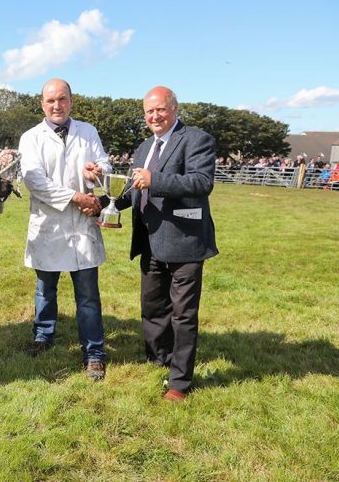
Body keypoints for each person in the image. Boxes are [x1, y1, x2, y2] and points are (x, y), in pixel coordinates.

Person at [112, 85, 218, 401]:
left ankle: (180, 382)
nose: (155, 116)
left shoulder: (197, 139)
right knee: (153, 307)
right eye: (149, 111)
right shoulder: (145, 147)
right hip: (150, 240)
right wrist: (105, 201)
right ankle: (159, 357)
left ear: (174, 108)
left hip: (185, 241)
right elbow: (135, 190)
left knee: (183, 314)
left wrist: (154, 180)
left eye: (160, 109)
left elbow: (202, 183)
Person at [18, 78, 110, 381]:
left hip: (82, 226)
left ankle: (94, 352)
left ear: (72, 100)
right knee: (45, 289)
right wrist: (75, 196)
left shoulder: (88, 131)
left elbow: (105, 164)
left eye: (62, 99)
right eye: (50, 101)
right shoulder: (31, 137)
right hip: (49, 226)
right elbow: (35, 181)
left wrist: (96, 172)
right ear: (42, 104)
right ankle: (43, 336)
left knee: (87, 294)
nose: (57, 106)